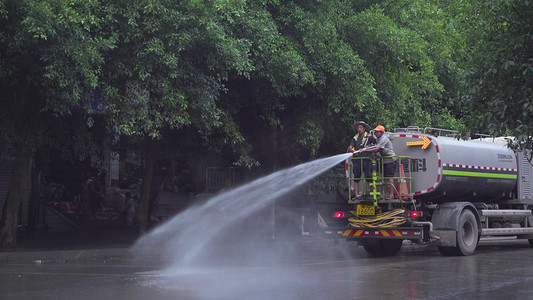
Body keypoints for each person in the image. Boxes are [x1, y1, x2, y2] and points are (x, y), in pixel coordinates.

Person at [361, 125, 396, 200]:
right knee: (385, 178)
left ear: (381, 132)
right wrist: (371, 138)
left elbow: (376, 148)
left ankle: (391, 194)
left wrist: (365, 150)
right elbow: (374, 143)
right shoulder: (378, 139)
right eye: (375, 131)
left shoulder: (384, 139)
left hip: (390, 160)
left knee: (389, 177)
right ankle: (387, 194)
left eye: (377, 132)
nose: (375, 133)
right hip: (384, 160)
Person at [347, 121, 374, 199]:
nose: (359, 129)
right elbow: (350, 146)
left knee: (368, 177)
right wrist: (352, 150)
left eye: (360, 128)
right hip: (357, 160)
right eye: (358, 128)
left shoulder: (368, 137)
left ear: (364, 128)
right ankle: (356, 195)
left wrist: (371, 137)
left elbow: (375, 143)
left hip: (366, 160)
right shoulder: (355, 138)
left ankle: (368, 193)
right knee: (356, 178)